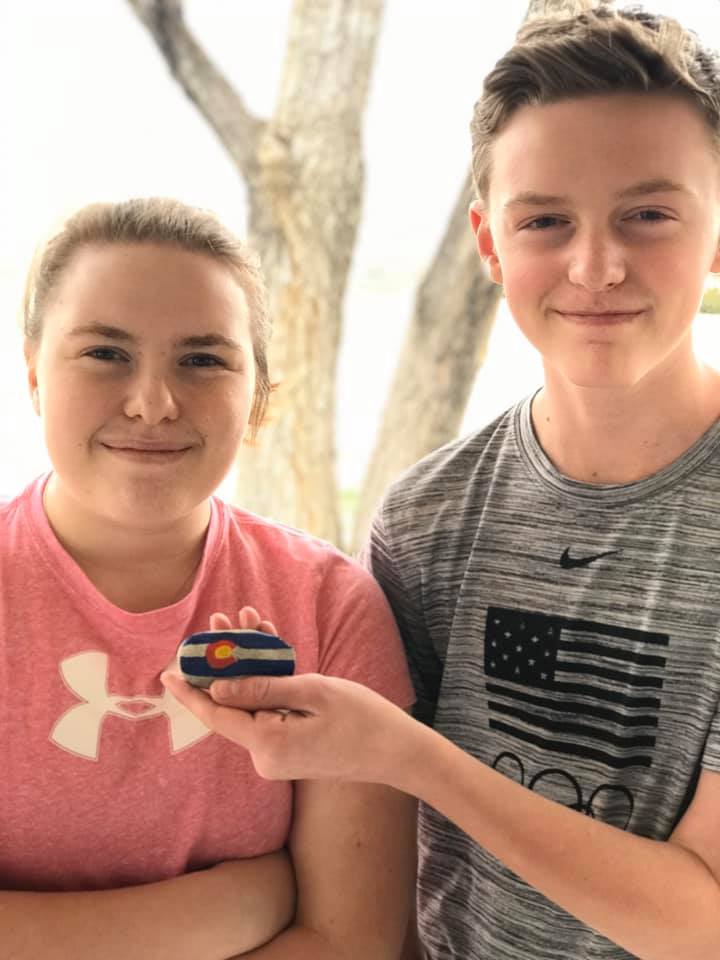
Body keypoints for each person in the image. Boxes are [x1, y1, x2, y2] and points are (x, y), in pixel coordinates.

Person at [163, 5, 720, 959]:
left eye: (649, 214)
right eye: (545, 219)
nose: (596, 264)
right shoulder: (426, 519)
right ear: (490, 243)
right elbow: (380, 859)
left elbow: (703, 919)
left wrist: (410, 755)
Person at [0, 196, 417, 960]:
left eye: (203, 360)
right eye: (105, 353)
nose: (153, 402)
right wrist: (233, 904)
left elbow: (351, 941)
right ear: (32, 375)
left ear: (257, 396)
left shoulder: (328, 606)